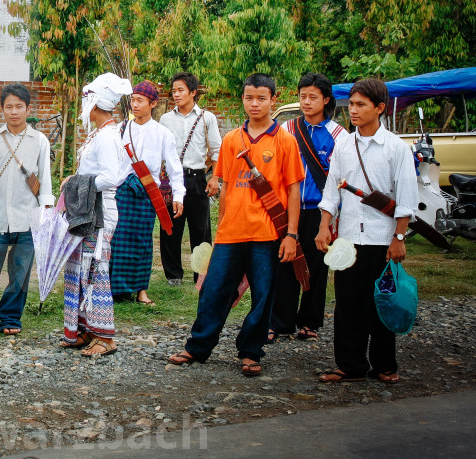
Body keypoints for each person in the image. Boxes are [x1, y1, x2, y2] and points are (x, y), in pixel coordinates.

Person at [169, 73, 305, 378]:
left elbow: (294, 189)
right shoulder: (232, 140)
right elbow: (227, 187)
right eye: (248, 97)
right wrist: (221, 228)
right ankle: (198, 346)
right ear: (242, 99)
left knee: (263, 295)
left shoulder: (285, 141)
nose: (254, 104)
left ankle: (250, 351)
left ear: (273, 99)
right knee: (214, 291)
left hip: (268, 233)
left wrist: (291, 235)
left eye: (261, 98)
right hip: (231, 233)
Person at [316, 78, 417, 384]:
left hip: (380, 239)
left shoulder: (396, 148)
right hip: (348, 239)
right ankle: (349, 365)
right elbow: (332, 191)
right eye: (352, 105)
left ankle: (385, 366)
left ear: (380, 108)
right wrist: (324, 226)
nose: (354, 111)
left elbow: (407, 199)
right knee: (347, 304)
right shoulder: (344, 144)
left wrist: (398, 238)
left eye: (361, 105)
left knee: (380, 303)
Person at [0, 84, 53, 336]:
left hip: (28, 219)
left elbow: (44, 180)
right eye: (9, 107)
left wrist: (44, 216)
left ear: (28, 108)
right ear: (2, 109)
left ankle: (10, 318)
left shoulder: (40, 140)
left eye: (19, 107)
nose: (14, 112)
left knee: (20, 274)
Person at [272, 73, 347, 342]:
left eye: (312, 97)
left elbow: (340, 178)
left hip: (319, 210)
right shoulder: (286, 130)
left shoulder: (339, 135)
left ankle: (310, 321)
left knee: (316, 265)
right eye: (302, 96)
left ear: (326, 99)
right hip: (287, 207)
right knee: (284, 261)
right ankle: (279, 321)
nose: (305, 102)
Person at [61, 73, 131, 356]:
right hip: (88, 211)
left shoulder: (107, 137)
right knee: (80, 269)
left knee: (95, 269)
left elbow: (110, 177)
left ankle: (105, 337)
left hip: (99, 213)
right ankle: (84, 330)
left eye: (87, 99)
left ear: (97, 103)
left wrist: (76, 183)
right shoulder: (100, 134)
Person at [112, 81, 184, 305]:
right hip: (122, 190)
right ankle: (117, 289)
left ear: (152, 103)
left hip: (147, 192)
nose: (134, 104)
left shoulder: (163, 133)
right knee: (119, 239)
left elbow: (174, 167)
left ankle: (141, 289)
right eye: (132, 99)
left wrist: (178, 195)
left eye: (140, 100)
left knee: (143, 241)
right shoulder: (121, 129)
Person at [159, 72, 222, 285]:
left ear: (193, 93)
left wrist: (215, 179)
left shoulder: (206, 118)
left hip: (197, 179)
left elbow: (217, 151)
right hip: (171, 179)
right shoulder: (165, 119)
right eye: (174, 90)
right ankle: (173, 275)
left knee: (200, 229)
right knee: (170, 228)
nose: (176, 94)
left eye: (181, 90)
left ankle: (201, 274)